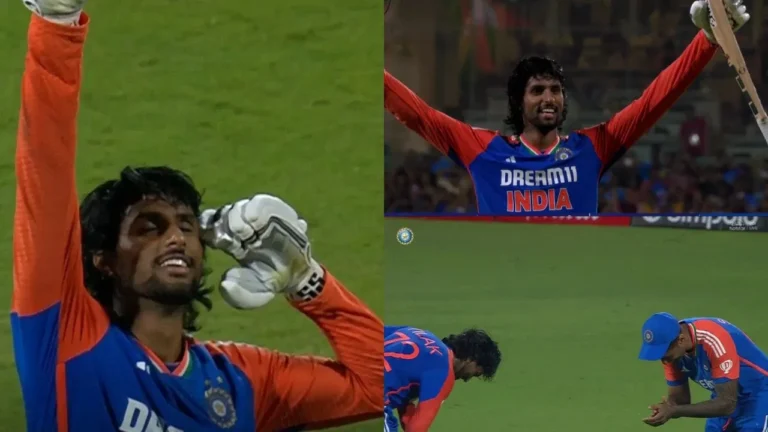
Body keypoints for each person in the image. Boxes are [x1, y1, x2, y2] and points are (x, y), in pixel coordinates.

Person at [11, 1, 382, 430]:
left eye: (187, 226)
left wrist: (307, 280)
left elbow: (380, 385)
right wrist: (57, 24)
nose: (176, 237)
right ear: (104, 259)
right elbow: (45, 166)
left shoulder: (242, 379)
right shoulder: (68, 338)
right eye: (149, 228)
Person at [384, 0, 750, 215]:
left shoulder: (591, 147)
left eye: (556, 90)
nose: (549, 98)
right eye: (538, 90)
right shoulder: (484, 149)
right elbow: (419, 115)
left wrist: (706, 40)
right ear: (518, 101)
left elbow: (654, 100)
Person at [638, 312, 768, 431]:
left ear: (681, 340)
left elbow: (727, 404)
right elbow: (680, 400)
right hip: (724, 394)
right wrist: (667, 408)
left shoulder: (714, 339)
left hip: (759, 392)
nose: (663, 360)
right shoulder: (673, 351)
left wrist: (674, 410)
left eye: (664, 353)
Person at [383, 325, 501, 431]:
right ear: (472, 359)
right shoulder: (443, 371)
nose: (467, 379)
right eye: (474, 373)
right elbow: (416, 428)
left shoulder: (415, 332)